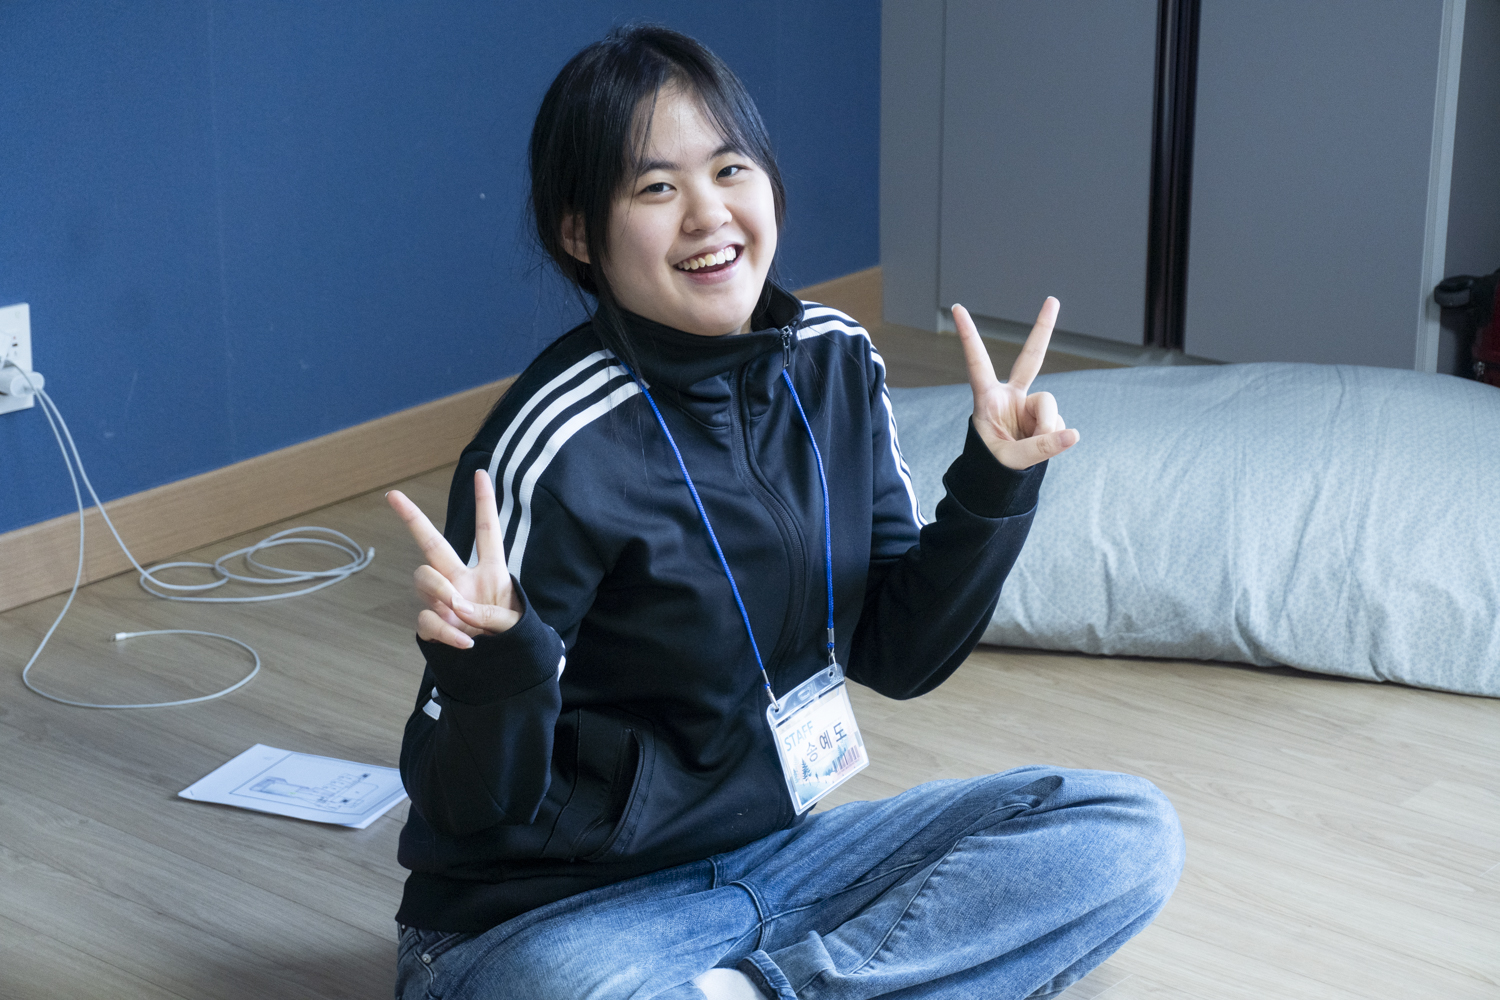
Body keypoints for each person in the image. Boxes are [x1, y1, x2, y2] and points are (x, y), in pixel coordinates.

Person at [384, 24, 1183, 1000]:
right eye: (656, 188)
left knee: (1124, 832)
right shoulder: (556, 444)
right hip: (560, 918)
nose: (708, 214)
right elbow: (458, 802)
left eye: (731, 169)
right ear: (580, 233)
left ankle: (758, 991)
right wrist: (495, 676)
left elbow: (896, 655)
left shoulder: (836, 361)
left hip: (782, 862)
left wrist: (993, 484)